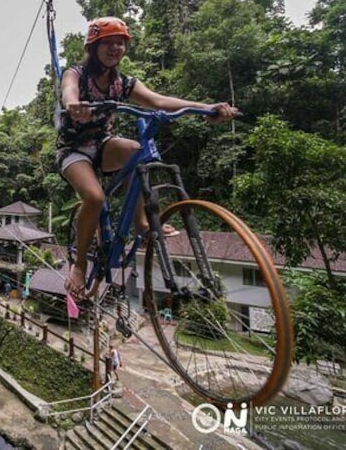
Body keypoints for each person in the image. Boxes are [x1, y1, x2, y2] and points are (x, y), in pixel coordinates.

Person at [58, 17, 237, 300]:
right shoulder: (76, 73)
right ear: (93, 47)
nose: (115, 47)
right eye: (108, 42)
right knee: (94, 198)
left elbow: (159, 101)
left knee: (136, 150)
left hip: (103, 144)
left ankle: (140, 222)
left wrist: (206, 108)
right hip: (74, 150)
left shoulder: (123, 83)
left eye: (120, 42)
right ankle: (79, 266)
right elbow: (68, 90)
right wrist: (74, 105)